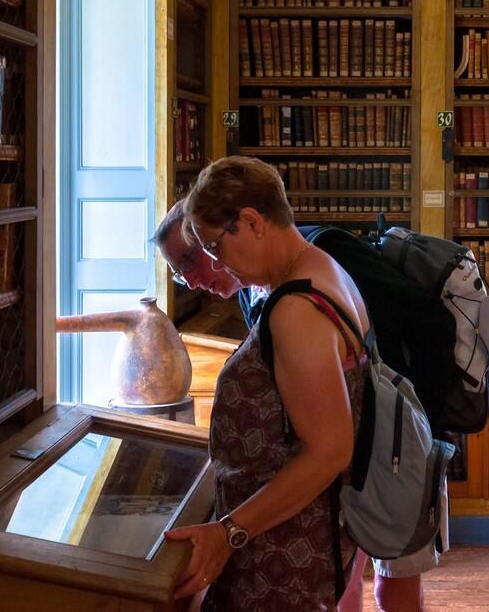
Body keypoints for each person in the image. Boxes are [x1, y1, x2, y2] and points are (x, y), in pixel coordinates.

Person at [156, 162, 447, 612]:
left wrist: (228, 532)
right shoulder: (324, 270)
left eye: (214, 246)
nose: (215, 264)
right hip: (301, 538)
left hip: (286, 552)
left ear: (251, 222)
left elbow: (329, 451)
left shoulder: (294, 310)